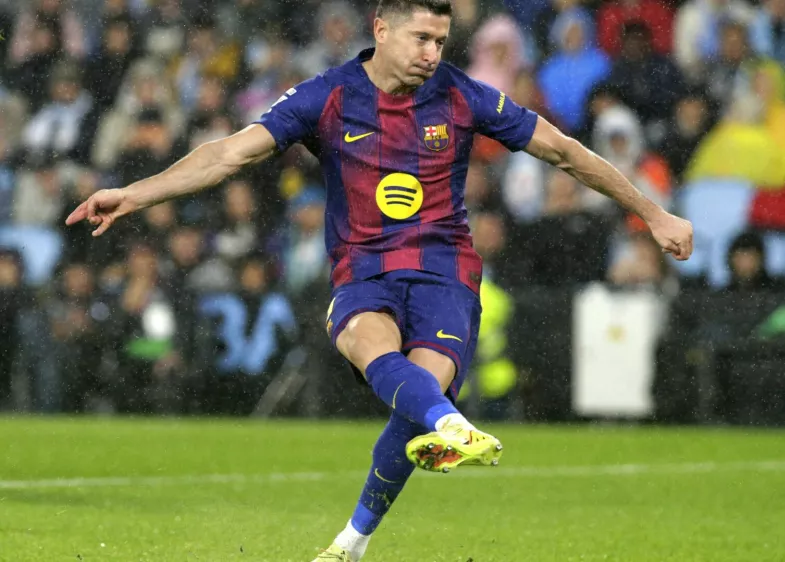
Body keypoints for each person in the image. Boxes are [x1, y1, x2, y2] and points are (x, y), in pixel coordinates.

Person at [64, 1, 694, 560]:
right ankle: (450, 427)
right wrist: (135, 194)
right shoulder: (329, 96)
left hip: (446, 272)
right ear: (381, 29)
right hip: (364, 269)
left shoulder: (463, 96)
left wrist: (653, 211)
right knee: (375, 350)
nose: (431, 54)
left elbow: (563, 151)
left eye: (441, 42)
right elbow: (230, 152)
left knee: (413, 397)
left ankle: (352, 543)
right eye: (421, 38)